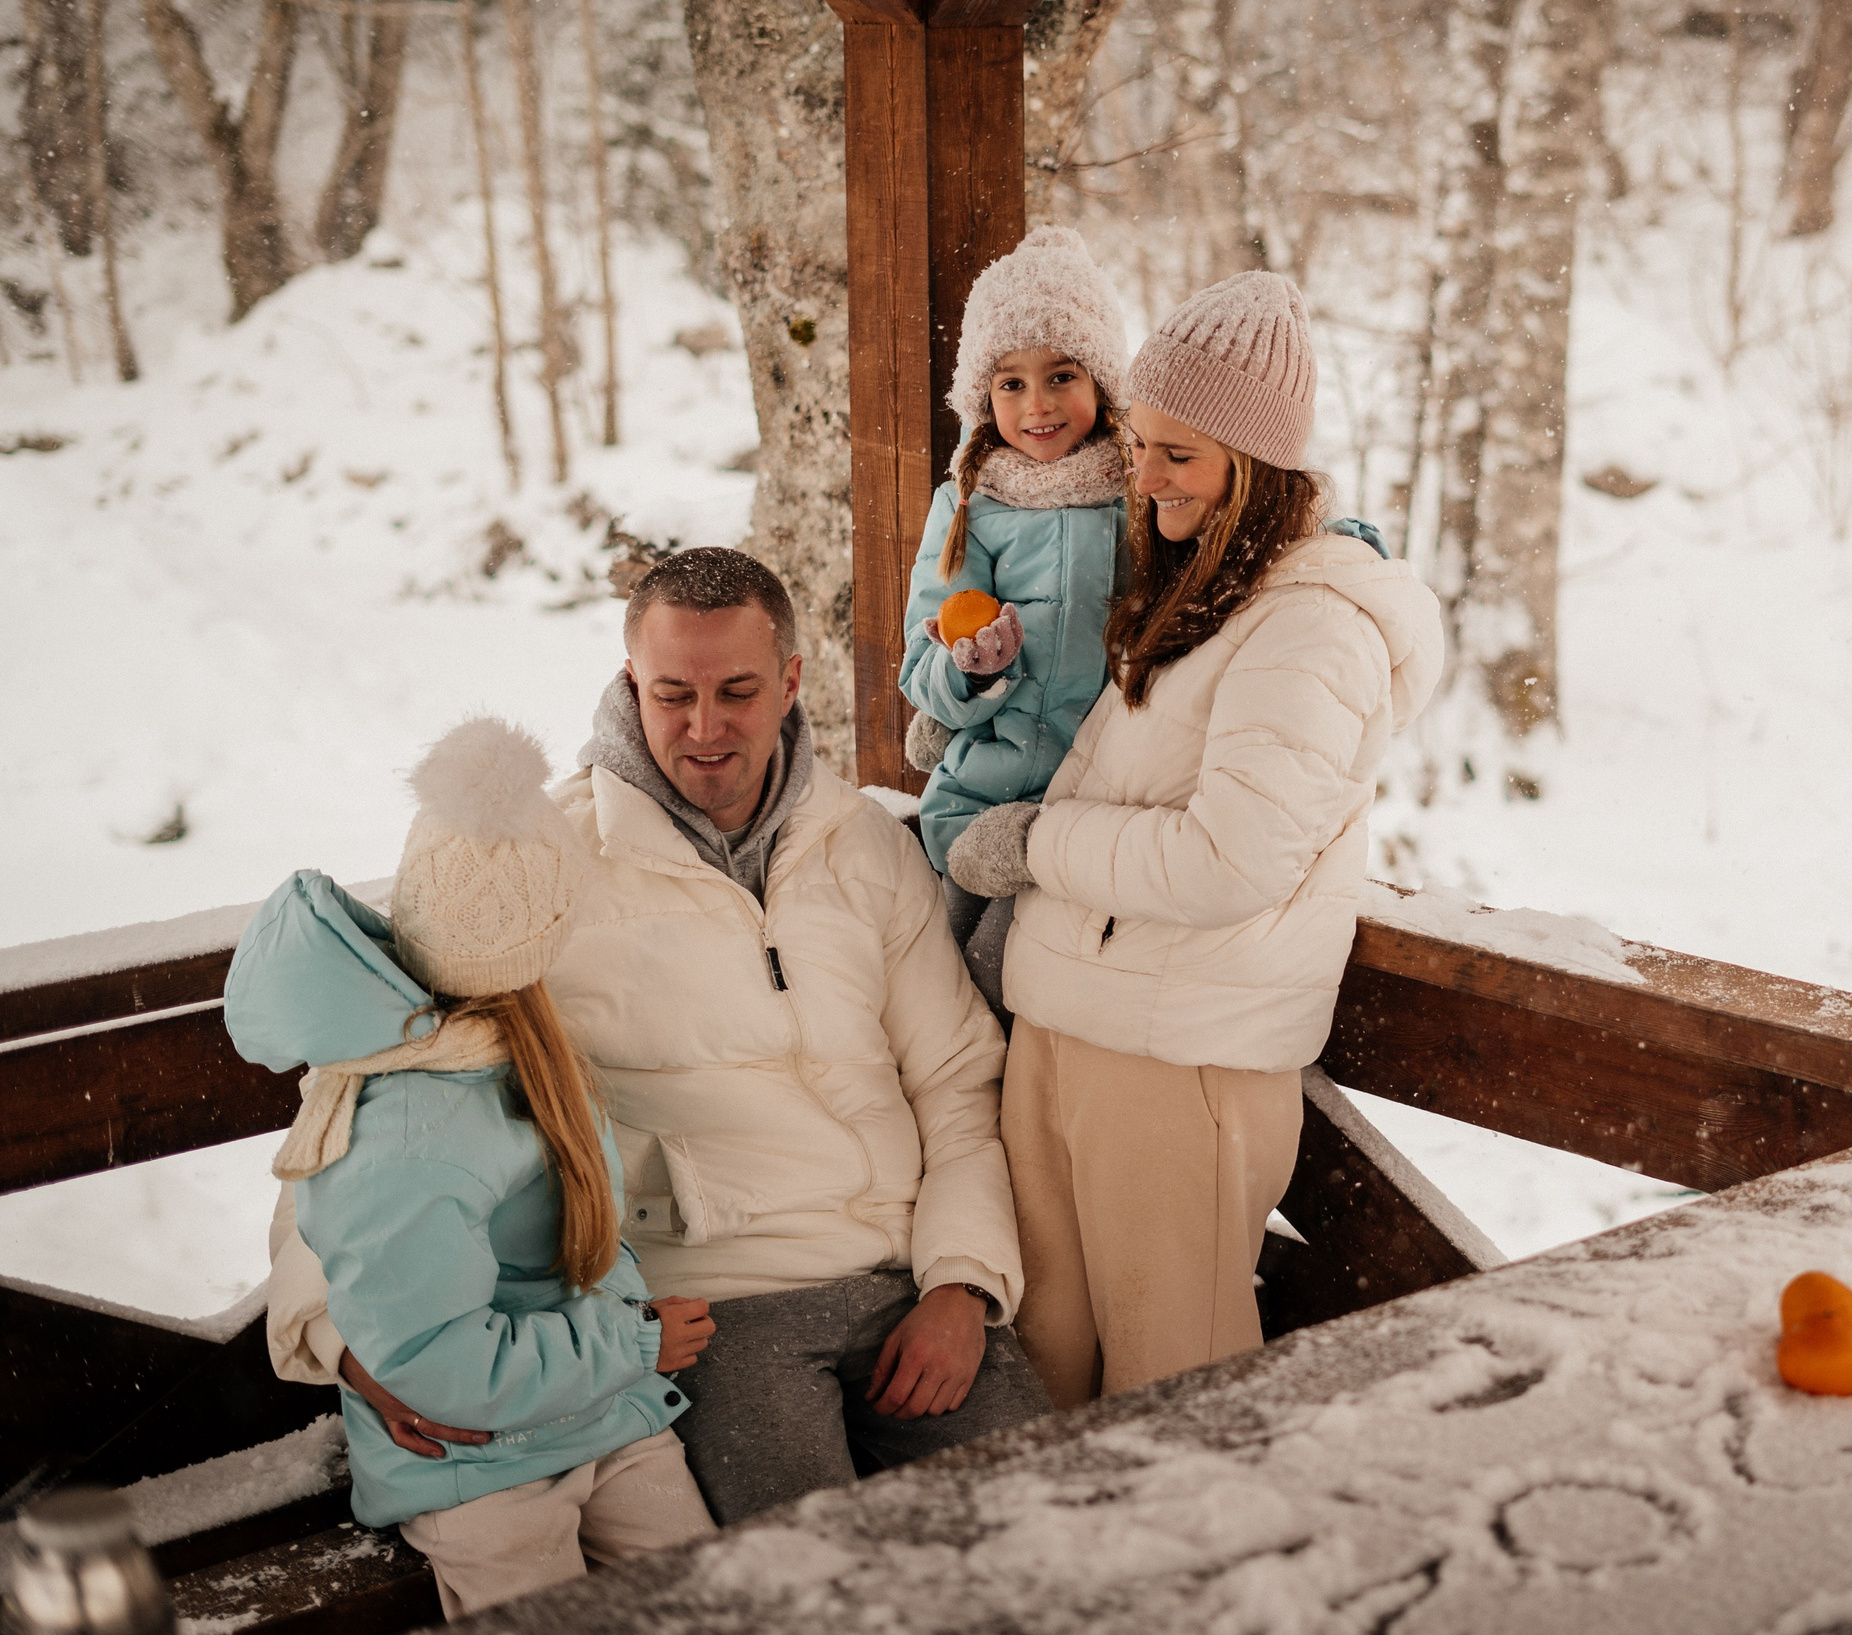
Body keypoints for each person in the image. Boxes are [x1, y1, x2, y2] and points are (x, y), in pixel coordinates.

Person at [267, 547, 1051, 1526]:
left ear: (793, 683)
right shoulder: (538, 865)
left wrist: (966, 1284)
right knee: (811, 1588)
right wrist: (336, 1333)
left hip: (909, 1283)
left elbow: (956, 1084)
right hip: (711, 1309)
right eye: (673, 692)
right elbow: (372, 1100)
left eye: (738, 691)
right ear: (629, 678)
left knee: (1054, 1532)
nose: (706, 728)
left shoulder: (861, 846)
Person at [943, 273, 1446, 1408]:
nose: (1146, 477)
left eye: (1182, 455)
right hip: (1071, 1025)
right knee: (1046, 1373)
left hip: (1179, 1060)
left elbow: (1231, 861)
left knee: (1177, 1389)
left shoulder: (1311, 626)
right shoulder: (1201, 589)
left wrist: (1035, 841)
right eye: (1141, 446)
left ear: (1255, 467)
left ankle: (1186, 1589)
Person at [227, 719, 718, 1618]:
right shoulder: (405, 1118)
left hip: (603, 1416)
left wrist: (626, 1346)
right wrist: (634, 1342)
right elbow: (431, 1362)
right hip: (478, 1465)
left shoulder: (521, 1048)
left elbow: (591, 1228)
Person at [898, 226, 1130, 1021]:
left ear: (1100, 381)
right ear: (981, 398)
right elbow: (919, 662)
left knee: (1056, 990)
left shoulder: (1135, 501)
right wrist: (972, 671)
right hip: (981, 796)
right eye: (1010, 383)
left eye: (1061, 375)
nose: (1037, 405)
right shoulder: (968, 506)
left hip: (1096, 803)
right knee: (959, 990)